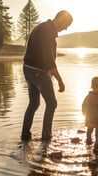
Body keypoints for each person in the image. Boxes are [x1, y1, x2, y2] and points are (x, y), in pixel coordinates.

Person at [21, 10, 73, 141]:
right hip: (38, 71)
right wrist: (60, 81)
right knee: (52, 103)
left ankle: (25, 135)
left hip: (28, 68)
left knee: (34, 103)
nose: (65, 29)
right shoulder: (47, 31)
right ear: (61, 20)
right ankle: (46, 136)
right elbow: (49, 60)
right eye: (66, 25)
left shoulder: (42, 27)